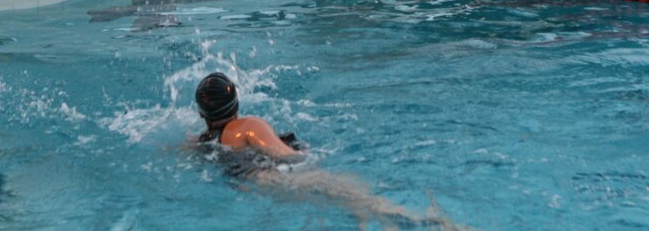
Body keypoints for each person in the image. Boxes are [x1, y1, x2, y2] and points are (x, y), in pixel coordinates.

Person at [193, 73, 466, 228]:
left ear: (203, 112)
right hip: (279, 177)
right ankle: (433, 224)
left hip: (252, 184)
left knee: (345, 207)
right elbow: (289, 157)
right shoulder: (247, 126)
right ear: (235, 101)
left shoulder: (202, 140)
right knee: (359, 196)